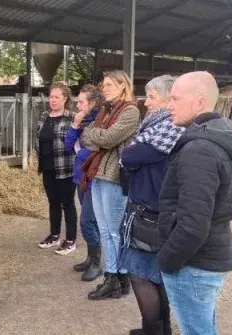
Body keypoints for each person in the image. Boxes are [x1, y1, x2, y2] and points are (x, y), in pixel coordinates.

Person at [157, 71, 232, 334]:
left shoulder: (199, 149)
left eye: (176, 98)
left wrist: (167, 261)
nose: (169, 105)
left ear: (200, 102)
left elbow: (193, 225)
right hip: (207, 256)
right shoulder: (218, 135)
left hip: (194, 263)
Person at [118, 75, 184, 335]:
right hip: (160, 211)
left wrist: (130, 156)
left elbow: (129, 155)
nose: (146, 102)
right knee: (158, 276)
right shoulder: (167, 128)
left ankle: (153, 330)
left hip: (149, 213)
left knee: (140, 274)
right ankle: (162, 329)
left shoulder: (167, 129)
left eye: (152, 96)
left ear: (170, 99)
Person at [80, 70, 140, 300]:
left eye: (108, 85)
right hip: (98, 173)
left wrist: (96, 134)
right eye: (103, 85)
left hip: (114, 175)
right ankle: (113, 276)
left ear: (122, 86)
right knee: (105, 230)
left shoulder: (130, 111)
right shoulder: (105, 110)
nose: (104, 89)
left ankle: (119, 277)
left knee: (115, 231)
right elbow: (86, 139)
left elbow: (107, 139)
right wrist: (97, 134)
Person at [64, 84, 102, 281]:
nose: (77, 105)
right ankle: (90, 258)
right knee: (89, 221)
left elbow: (96, 151)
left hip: (92, 177)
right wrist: (74, 126)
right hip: (80, 176)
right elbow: (68, 144)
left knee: (88, 221)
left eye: (81, 101)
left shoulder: (98, 122)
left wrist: (80, 152)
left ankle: (97, 263)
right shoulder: (82, 121)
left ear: (93, 103)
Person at [36, 81, 78, 255]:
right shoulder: (44, 116)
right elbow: (38, 139)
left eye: (56, 97)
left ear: (65, 99)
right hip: (47, 167)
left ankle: (70, 240)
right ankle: (54, 236)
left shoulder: (73, 118)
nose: (52, 100)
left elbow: (77, 143)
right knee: (53, 202)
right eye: (51, 96)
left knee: (67, 203)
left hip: (66, 168)